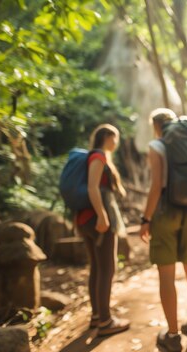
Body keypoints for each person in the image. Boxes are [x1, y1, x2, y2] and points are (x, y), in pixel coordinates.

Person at [139, 108, 187, 352]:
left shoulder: (157, 146)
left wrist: (145, 218)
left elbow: (156, 187)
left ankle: (172, 336)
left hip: (166, 213)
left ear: (156, 126)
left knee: (167, 276)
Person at [75, 124, 130, 336]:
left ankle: (97, 316)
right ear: (107, 137)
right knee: (107, 268)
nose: (116, 142)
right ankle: (106, 322)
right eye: (115, 137)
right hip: (97, 220)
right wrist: (102, 215)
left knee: (97, 268)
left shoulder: (93, 156)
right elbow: (92, 187)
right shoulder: (98, 157)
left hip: (85, 219)